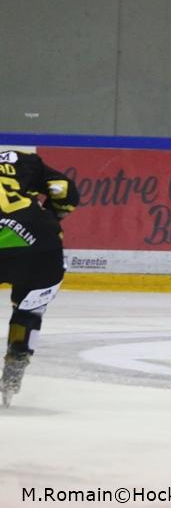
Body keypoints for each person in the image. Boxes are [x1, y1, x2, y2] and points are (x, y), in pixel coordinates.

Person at [0, 149, 79, 407]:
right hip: (39, 242)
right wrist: (49, 220)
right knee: (29, 310)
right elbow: (64, 191)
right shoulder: (22, 160)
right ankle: (18, 357)